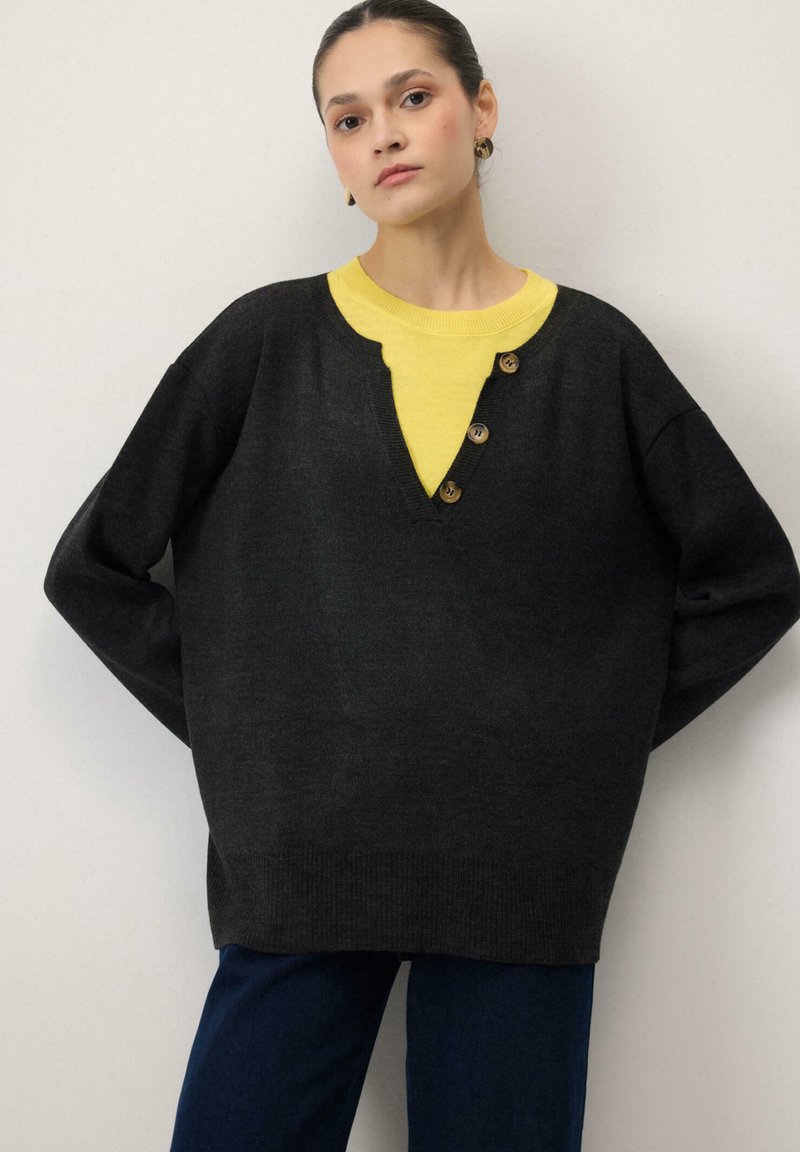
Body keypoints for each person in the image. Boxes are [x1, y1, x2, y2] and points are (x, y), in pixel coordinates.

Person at [42, 2, 800, 1150]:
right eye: (347, 118)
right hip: (299, 867)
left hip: (520, 871)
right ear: (333, 154)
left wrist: (577, 729)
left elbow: (752, 579)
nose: (383, 134)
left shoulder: (597, 357)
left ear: (478, 108)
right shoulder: (260, 343)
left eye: (411, 96)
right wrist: (250, 729)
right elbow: (92, 569)